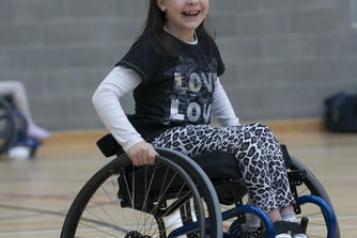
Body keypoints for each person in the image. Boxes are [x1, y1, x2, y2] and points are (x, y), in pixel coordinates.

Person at [92, 0, 307, 237]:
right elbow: (104, 95)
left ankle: (286, 219)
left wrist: (237, 131)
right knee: (253, 135)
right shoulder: (152, 47)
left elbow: (214, 89)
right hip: (165, 140)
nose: (193, 2)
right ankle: (273, 224)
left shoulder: (205, 45)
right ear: (162, 3)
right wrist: (132, 142)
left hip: (197, 139)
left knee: (262, 133)